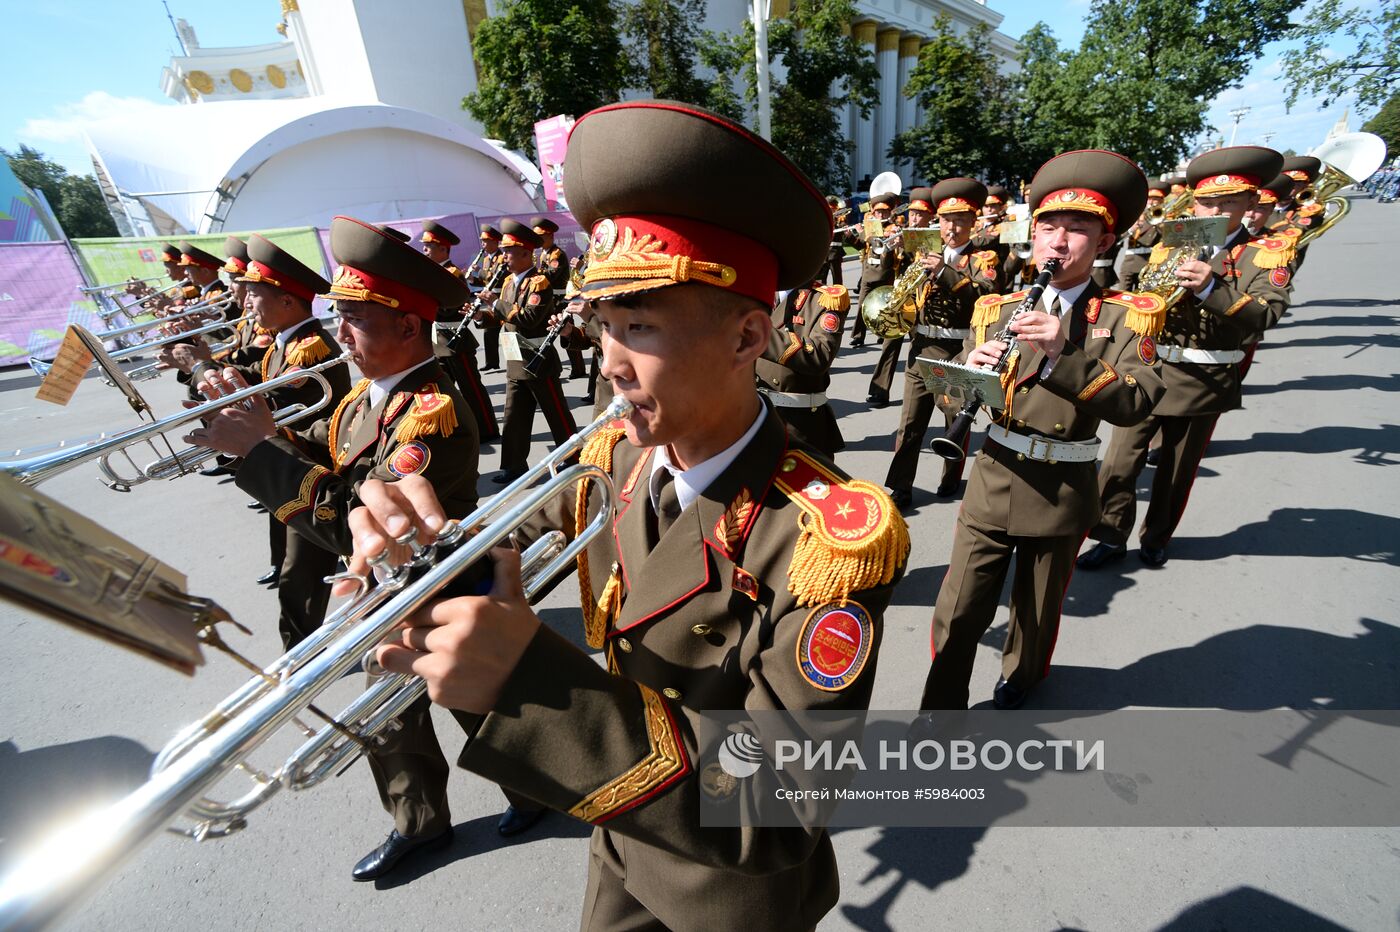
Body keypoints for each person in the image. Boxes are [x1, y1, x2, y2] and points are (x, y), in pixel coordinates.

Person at [341, 100, 910, 931]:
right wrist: (408, 554)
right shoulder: (615, 462)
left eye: (638, 326)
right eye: (602, 325)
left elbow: (779, 804)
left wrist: (531, 681)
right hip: (617, 832)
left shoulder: (829, 536)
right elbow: (493, 558)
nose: (609, 365)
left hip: (726, 891)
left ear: (749, 335)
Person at [182, 215, 481, 882]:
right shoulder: (363, 400)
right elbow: (335, 452)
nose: (338, 332)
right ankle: (420, 823)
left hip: (438, 586)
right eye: (338, 314)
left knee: (478, 704)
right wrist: (264, 426)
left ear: (408, 326)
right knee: (389, 714)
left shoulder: (430, 412)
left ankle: (532, 790)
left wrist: (259, 454)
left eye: (355, 318)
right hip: (382, 591)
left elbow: (358, 515)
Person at [918, 149, 1167, 712]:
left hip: (1063, 482)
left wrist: (1062, 355)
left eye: (1077, 230)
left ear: (1104, 244)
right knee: (959, 608)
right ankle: (940, 706)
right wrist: (960, 379)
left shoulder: (1126, 317)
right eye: (1048, 226)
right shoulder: (994, 307)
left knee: (1035, 608)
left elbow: (1136, 404)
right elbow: (950, 396)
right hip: (994, 474)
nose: (1058, 242)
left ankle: (1022, 677)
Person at [1077, 146, 1291, 571]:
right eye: (1207, 201)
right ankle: (1110, 535)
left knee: (1175, 471)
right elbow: (1131, 288)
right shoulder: (1169, 241)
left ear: (1251, 204)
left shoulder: (1264, 253)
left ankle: (1157, 537)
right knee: (1119, 462)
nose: (1215, 209)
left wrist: (1214, 289)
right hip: (1150, 367)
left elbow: (1265, 316)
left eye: (1228, 202)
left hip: (1204, 376)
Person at [176, 234, 352, 646]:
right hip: (291, 463)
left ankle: (298, 656)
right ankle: (299, 650)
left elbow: (273, 408)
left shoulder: (310, 350)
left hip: (312, 469)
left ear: (288, 301)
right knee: (297, 568)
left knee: (300, 575)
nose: (248, 302)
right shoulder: (283, 344)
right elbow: (256, 385)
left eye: (255, 294)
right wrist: (206, 371)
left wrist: (204, 370)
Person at [883, 181, 999, 509]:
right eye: (947, 219)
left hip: (955, 351)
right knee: (909, 423)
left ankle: (950, 477)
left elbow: (985, 295)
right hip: (920, 346)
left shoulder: (982, 258)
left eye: (960, 219)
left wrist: (945, 272)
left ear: (973, 222)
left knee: (953, 418)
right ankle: (901, 486)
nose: (951, 226)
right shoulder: (924, 256)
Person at [477, 218, 577, 483]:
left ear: (525, 253)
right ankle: (513, 465)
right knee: (514, 416)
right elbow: (502, 318)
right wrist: (480, 316)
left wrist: (496, 303)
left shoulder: (539, 283)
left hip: (537, 359)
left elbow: (528, 318)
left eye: (509, 252)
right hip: (514, 358)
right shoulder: (509, 282)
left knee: (556, 412)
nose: (505, 257)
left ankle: (572, 457)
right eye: (505, 251)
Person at [421, 220, 502, 443]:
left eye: (428, 247)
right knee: (442, 391)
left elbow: (451, 307)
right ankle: (452, 429)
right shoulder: (435, 273)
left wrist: (429, 303)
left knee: (472, 389)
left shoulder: (452, 273)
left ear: (442, 249)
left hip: (456, 340)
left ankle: (487, 429)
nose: (424, 250)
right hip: (439, 342)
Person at [756, 280, 852, 458]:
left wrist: (758, 332)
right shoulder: (756, 293)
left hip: (799, 423)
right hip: (757, 418)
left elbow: (819, 357)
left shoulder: (824, 299)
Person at [848, 191, 905, 358]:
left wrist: (894, 237)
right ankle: (858, 336)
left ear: (890, 213)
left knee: (882, 306)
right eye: (878, 212)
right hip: (868, 272)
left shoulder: (893, 229)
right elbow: (860, 246)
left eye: (884, 212)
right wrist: (852, 235)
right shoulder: (870, 227)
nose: (881, 215)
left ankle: (881, 333)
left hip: (885, 272)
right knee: (861, 306)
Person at [532, 215, 587, 381]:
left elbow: (552, 275)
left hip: (561, 300)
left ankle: (578, 368)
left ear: (550, 236)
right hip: (551, 301)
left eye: (541, 237)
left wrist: (535, 274)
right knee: (552, 333)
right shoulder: (544, 254)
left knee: (567, 334)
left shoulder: (557, 254)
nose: (539, 241)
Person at [466, 225, 505, 371]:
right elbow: (485, 281)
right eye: (482, 241)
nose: (483, 244)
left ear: (495, 242)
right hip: (490, 298)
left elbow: (495, 277)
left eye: (486, 241)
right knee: (489, 330)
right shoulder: (487, 259)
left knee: (510, 330)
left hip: (502, 297)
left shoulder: (502, 257)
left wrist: (479, 271)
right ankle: (492, 362)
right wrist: (471, 279)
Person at [1119, 179, 1167, 290]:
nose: (1152, 202)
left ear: (1161, 201)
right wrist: (1131, 229)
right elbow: (1120, 237)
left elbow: (1167, 238)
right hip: (1129, 261)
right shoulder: (1135, 215)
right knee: (1122, 294)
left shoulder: (1163, 217)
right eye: (1150, 199)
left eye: (1156, 199)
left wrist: (1159, 223)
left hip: (1150, 262)